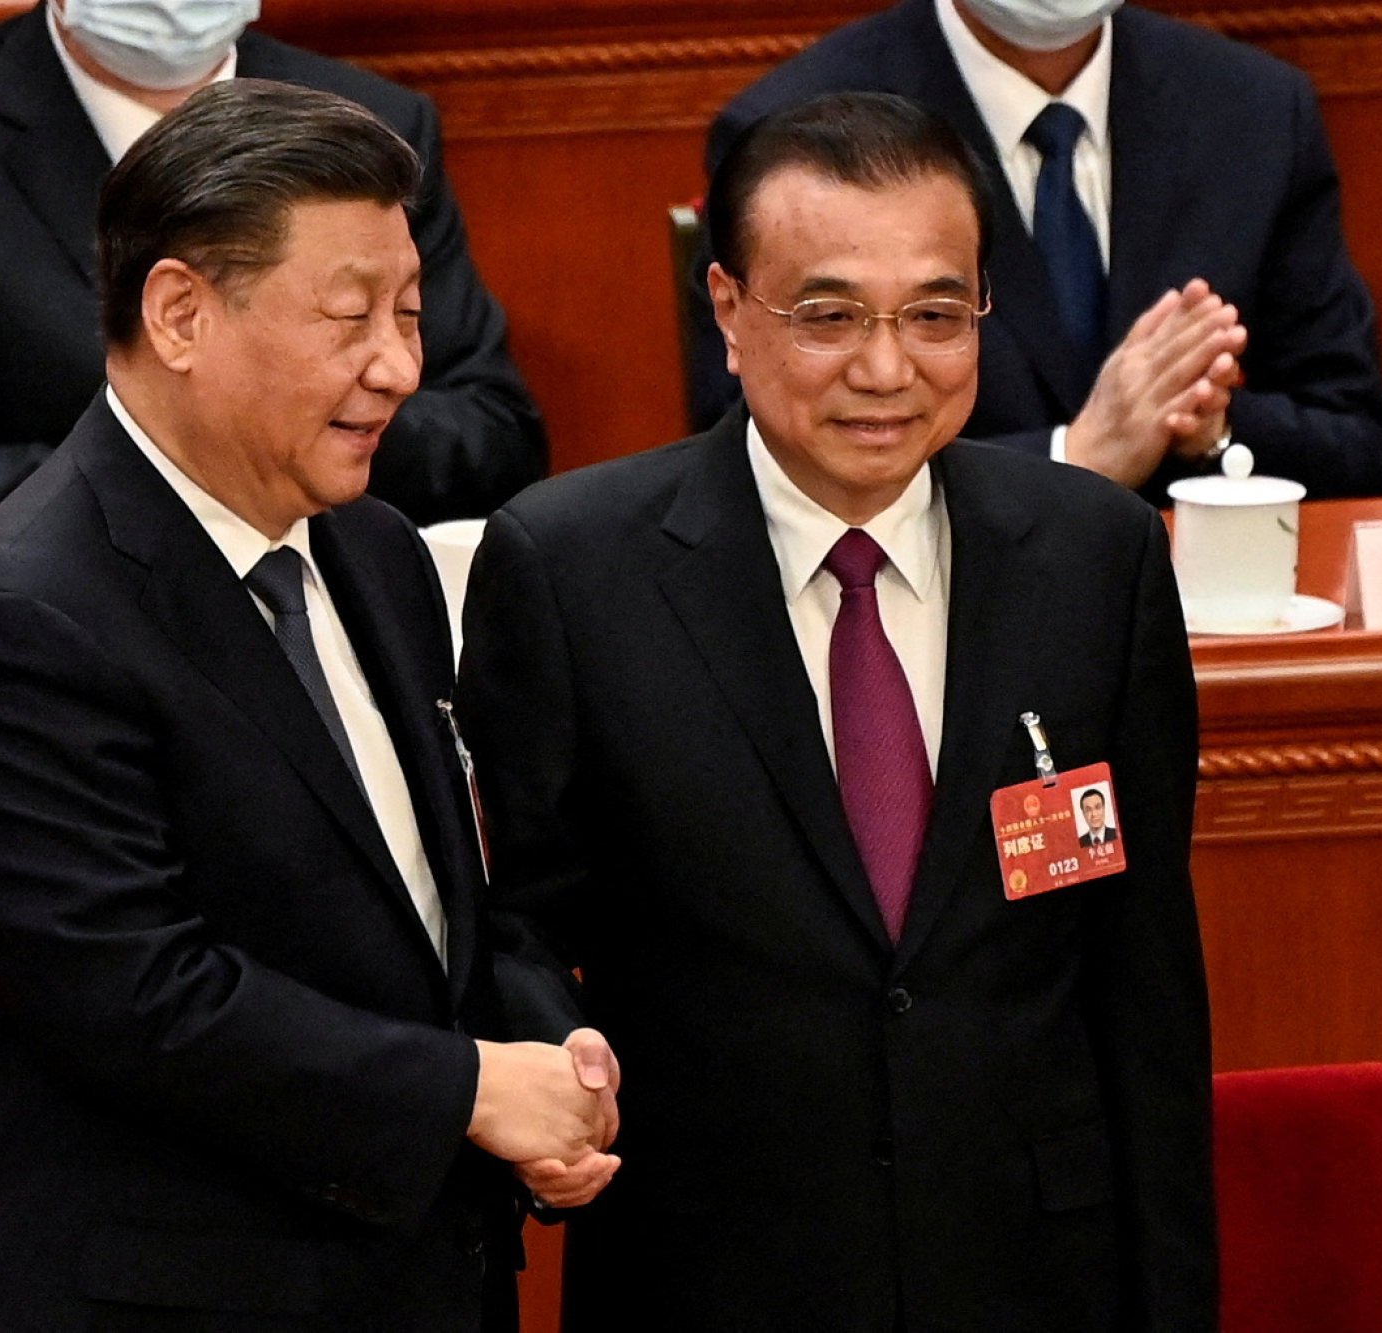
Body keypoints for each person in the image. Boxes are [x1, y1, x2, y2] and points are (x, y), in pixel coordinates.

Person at [458, 92, 1214, 1330]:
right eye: (826, 316)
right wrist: (563, 1070)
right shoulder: (571, 566)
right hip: (712, 1271)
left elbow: (1142, 984)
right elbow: (516, 920)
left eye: (932, 315)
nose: (884, 369)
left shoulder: (1096, 558)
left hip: (1035, 1271)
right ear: (727, 311)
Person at [0, 81, 615, 1330]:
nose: (400, 365)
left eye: (410, 313)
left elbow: (434, 911)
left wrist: (547, 1059)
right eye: (348, 318)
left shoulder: (372, 552)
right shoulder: (22, 616)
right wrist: (463, 1092)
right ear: (178, 313)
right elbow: (139, 1000)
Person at [0, 0, 546, 574]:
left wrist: (300, 433)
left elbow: (493, 435)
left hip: (343, 589)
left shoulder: (377, 124)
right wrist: (215, 462)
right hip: (81, 617)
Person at [685, 0, 1382, 504]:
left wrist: (1202, 422)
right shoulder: (792, 135)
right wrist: (1076, 456)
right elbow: (754, 461)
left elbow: (1362, 454)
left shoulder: (1254, 109)